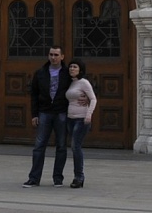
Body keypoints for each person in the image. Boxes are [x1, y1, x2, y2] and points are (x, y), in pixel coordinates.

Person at [24, 46, 72, 187]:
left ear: (62, 56)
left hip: (61, 112)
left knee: (61, 146)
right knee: (39, 146)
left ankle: (58, 178)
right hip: (44, 112)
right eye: (51, 54)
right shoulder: (40, 73)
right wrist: (34, 114)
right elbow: (34, 95)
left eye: (56, 54)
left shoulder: (68, 73)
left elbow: (79, 87)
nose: (53, 57)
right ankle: (34, 178)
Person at [65, 59, 98, 189]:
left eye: (75, 67)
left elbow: (93, 99)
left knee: (75, 146)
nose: (72, 69)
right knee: (74, 146)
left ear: (81, 70)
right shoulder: (70, 83)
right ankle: (78, 176)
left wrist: (89, 114)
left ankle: (79, 177)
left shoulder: (84, 82)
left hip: (81, 118)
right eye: (71, 66)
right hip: (70, 118)